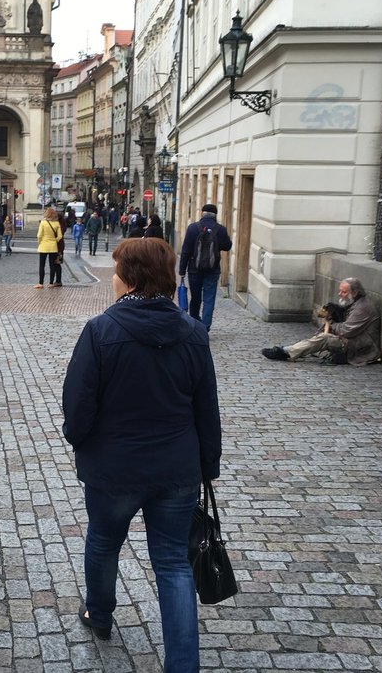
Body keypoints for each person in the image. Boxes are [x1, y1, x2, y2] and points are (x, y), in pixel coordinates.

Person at [61, 236, 221, 673]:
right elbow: (206, 407)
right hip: (175, 467)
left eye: (116, 270)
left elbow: (78, 405)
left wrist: (80, 442)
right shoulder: (192, 332)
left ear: (129, 277)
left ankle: (99, 613)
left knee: (104, 541)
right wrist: (208, 465)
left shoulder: (101, 330)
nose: (112, 277)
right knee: (172, 563)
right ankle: (183, 665)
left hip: (114, 468)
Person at [262, 277, 382, 365]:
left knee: (324, 338)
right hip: (350, 341)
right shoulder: (355, 304)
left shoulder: (363, 308)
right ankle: (290, 349)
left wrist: (332, 324)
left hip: (358, 347)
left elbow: (347, 331)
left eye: (344, 292)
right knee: (321, 336)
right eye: (340, 291)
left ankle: (286, 352)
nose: (340, 294)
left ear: (355, 293)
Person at [179, 204, 232, 331]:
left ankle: (194, 324)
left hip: (194, 269)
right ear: (215, 215)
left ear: (202, 213)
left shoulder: (192, 228)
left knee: (195, 297)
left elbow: (186, 250)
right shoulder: (220, 229)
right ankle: (205, 327)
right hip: (212, 269)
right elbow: (227, 246)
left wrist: (182, 270)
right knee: (209, 298)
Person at [35, 207, 63, 289]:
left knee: (42, 265)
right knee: (52, 265)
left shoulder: (43, 223)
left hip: (43, 245)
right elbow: (60, 236)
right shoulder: (57, 223)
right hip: (53, 246)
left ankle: (41, 283)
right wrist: (55, 240)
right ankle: (51, 283)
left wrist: (40, 242)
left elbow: (39, 235)